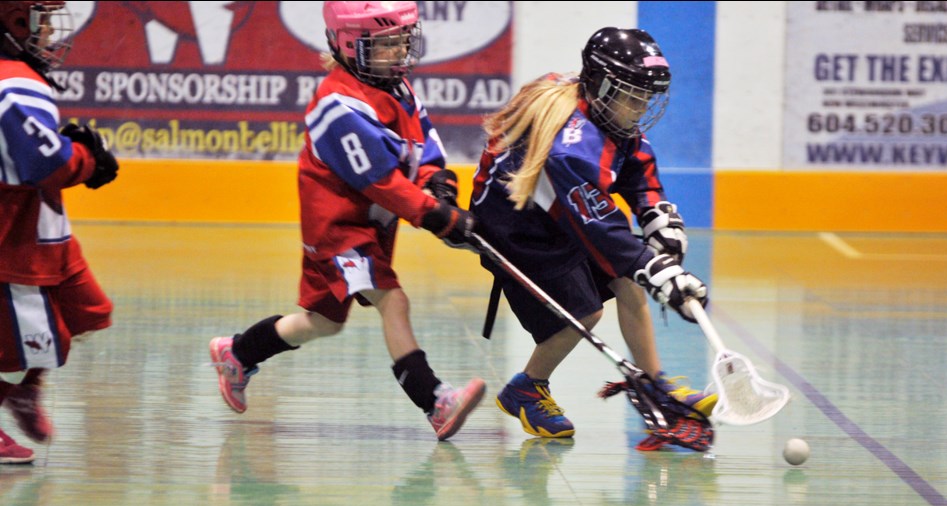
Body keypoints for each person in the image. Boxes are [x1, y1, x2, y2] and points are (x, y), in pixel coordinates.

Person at [209, 1, 484, 441]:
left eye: (401, 41)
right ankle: (436, 402)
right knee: (393, 301)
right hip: (338, 230)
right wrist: (434, 215)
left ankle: (237, 352)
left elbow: (424, 146)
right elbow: (380, 181)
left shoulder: (398, 89)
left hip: (369, 226)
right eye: (385, 45)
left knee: (323, 321)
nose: (398, 53)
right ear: (350, 46)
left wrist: (441, 187)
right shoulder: (337, 106)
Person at [470, 27, 715, 447]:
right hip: (514, 228)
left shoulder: (602, 111)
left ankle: (654, 382)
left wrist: (655, 213)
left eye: (645, 96)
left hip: (551, 211)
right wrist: (658, 271)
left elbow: (636, 164)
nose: (641, 107)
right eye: (632, 96)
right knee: (582, 314)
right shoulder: (572, 146)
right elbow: (604, 231)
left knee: (627, 279)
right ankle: (526, 387)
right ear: (601, 87)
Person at [0, 1, 118, 463]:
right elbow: (42, 163)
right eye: (40, 21)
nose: (49, 32)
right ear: (13, 22)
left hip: (45, 229)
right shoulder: (17, 84)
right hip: (15, 236)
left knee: (89, 314)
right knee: (21, 345)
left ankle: (25, 392)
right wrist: (87, 160)